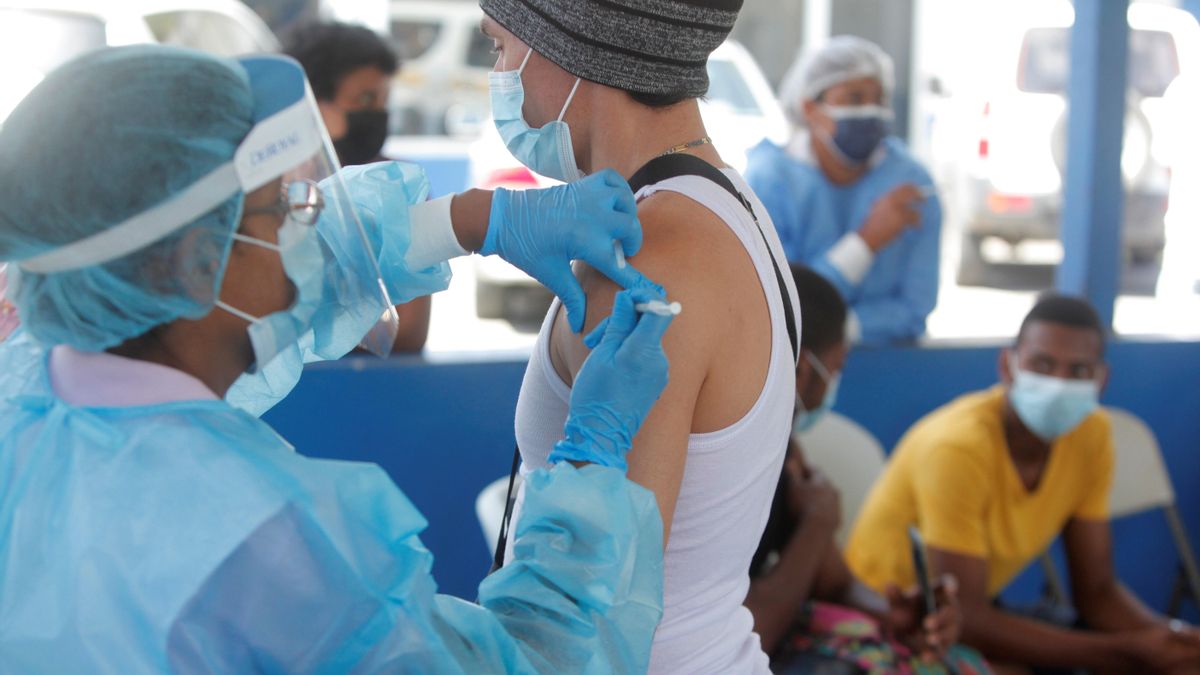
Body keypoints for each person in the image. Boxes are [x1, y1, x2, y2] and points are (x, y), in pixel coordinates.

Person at [0, 45, 677, 671]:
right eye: (281, 207)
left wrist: (475, 219)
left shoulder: (32, 401)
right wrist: (594, 456)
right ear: (198, 261)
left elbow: (305, 260)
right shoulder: (262, 545)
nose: (307, 221)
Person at [480, 1, 801, 672]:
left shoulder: (649, 255)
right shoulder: (728, 203)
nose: (500, 75)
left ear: (571, 44)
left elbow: (598, 617)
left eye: (500, 48)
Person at [845, 294, 1200, 674]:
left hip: (974, 615)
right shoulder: (958, 448)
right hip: (891, 620)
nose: (1058, 383)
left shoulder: (1091, 436)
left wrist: (1172, 640)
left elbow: (1097, 592)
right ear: (1008, 365)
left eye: (1079, 370)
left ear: (1101, 379)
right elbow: (967, 619)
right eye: (1043, 364)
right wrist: (1128, 652)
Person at [747, 265, 987, 674]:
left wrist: (895, 615)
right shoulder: (719, 471)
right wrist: (817, 523)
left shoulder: (786, 456)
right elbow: (753, 635)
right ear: (803, 371)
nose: (833, 384)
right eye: (835, 369)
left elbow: (835, 583)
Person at [745, 36, 941, 346]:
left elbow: (915, 309)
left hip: (891, 363)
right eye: (855, 98)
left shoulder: (911, 185)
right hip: (794, 367)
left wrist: (830, 330)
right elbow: (778, 304)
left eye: (880, 99)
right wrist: (865, 243)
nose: (871, 111)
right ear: (810, 108)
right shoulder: (770, 182)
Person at [284, 21, 431, 354]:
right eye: (364, 99)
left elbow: (408, 331)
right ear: (312, 104)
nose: (377, 113)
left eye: (383, 100)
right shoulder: (266, 192)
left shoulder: (400, 188)